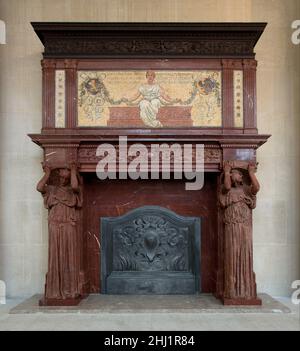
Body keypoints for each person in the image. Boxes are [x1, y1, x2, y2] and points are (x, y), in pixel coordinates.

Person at [36, 163, 83, 301]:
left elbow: (75, 186)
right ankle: (55, 291)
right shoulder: (51, 189)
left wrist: (73, 170)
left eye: (66, 175)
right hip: (55, 225)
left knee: (69, 255)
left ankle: (70, 290)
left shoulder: (73, 190)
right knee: (55, 255)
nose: (63, 177)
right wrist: (47, 173)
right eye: (61, 174)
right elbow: (39, 187)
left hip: (68, 225)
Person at [219, 162, 260, 300]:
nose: (234, 175)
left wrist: (251, 173)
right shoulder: (227, 190)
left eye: (235, 173)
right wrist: (226, 171)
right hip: (232, 226)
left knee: (243, 251)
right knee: (233, 252)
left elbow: (257, 187)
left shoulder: (246, 190)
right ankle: (231, 289)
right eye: (233, 173)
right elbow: (227, 186)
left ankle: (244, 289)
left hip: (244, 226)